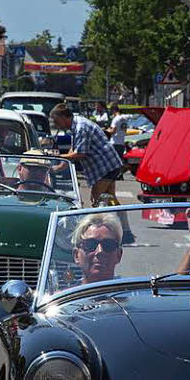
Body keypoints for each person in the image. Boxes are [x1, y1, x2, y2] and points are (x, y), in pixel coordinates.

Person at [48, 104, 133, 242]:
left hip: (105, 167)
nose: (56, 125)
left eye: (56, 121)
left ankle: (92, 236)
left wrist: (57, 157)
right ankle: (127, 232)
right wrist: (57, 167)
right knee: (112, 200)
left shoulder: (81, 127)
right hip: (107, 166)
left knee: (95, 200)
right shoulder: (75, 127)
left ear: (64, 117)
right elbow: (72, 151)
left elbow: (80, 153)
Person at [72, 212, 124, 284]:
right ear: (76, 255)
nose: (100, 251)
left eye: (108, 245)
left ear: (119, 255)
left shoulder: (132, 293)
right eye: (90, 244)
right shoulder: (66, 295)